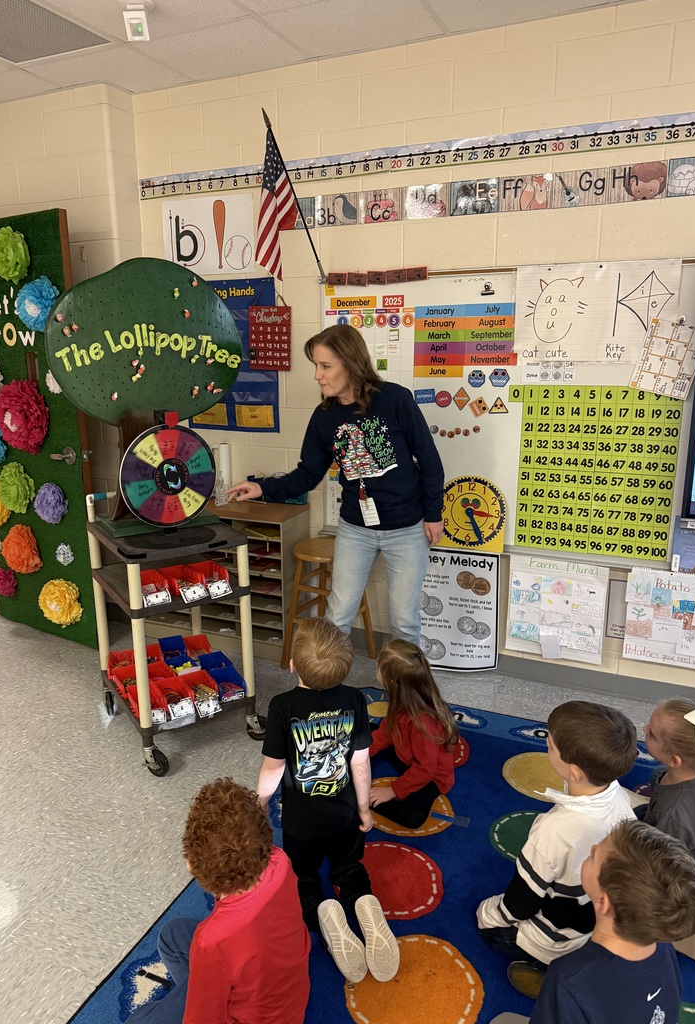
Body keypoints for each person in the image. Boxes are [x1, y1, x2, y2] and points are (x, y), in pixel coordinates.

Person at [226, 324, 444, 647]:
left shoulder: (396, 400)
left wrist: (433, 513)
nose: (317, 375)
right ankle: (325, 689)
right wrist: (262, 487)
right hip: (356, 527)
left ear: (352, 364)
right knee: (338, 617)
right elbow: (306, 475)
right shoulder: (324, 418)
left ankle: (408, 696)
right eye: (316, 365)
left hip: (407, 527)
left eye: (325, 366)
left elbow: (429, 461)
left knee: (404, 623)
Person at [257, 616, 399, 984]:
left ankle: (322, 911)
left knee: (302, 876)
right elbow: (361, 761)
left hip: (302, 823)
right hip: (346, 815)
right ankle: (363, 900)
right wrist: (365, 809)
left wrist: (259, 803)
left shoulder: (282, 706)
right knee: (349, 866)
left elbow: (273, 767)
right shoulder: (354, 698)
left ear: (292, 664)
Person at [476, 701, 638, 995]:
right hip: (596, 926)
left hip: (556, 937)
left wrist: (492, 914)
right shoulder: (622, 800)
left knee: (485, 920)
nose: (546, 745)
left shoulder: (551, 830)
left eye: (550, 745)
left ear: (574, 772)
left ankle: (547, 969)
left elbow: (520, 904)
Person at [129, 777, 310, 1024]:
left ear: (192, 866)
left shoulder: (211, 940)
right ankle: (206, 987)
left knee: (138, 1019)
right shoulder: (280, 861)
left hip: (252, 1012)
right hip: (289, 997)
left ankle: (206, 989)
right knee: (173, 936)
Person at [529, 819, 695, 1024]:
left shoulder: (570, 977)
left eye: (594, 856)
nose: (593, 847)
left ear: (604, 902)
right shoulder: (663, 946)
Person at [640, 694, 695, 933]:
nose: (643, 729)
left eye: (651, 733)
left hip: (688, 903)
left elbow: (660, 865)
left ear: (674, 760)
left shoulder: (672, 814)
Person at [368, 639, 459, 829]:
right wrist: (360, 753)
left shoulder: (422, 724)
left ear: (392, 681)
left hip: (431, 776)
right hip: (409, 755)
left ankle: (360, 798)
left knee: (412, 817)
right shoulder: (401, 695)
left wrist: (392, 791)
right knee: (369, 731)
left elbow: (425, 769)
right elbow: (386, 730)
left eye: (379, 666)